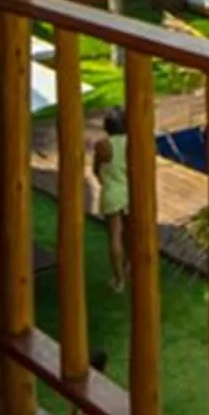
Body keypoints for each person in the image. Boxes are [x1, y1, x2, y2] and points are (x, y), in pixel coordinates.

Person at [94, 106, 133, 291]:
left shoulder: (102, 145)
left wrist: (105, 180)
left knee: (115, 237)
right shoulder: (132, 142)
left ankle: (119, 280)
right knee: (130, 234)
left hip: (111, 192)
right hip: (130, 192)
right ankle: (128, 269)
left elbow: (96, 170)